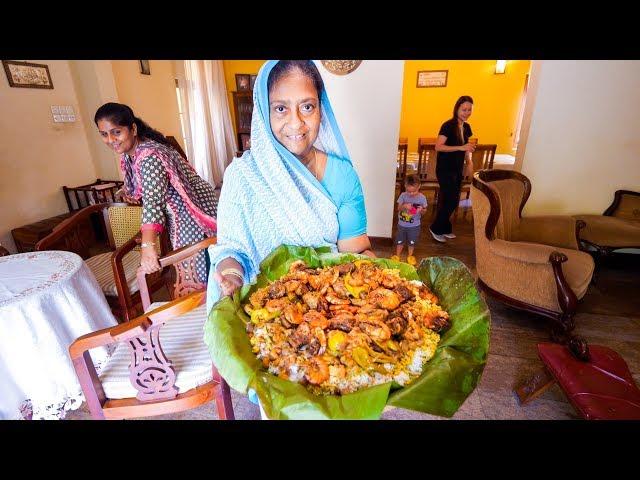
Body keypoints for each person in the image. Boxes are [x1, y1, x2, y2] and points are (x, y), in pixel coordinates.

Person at [206, 60, 374, 310]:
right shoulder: (242, 176)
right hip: (260, 313)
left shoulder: (342, 176)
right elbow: (232, 249)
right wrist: (232, 278)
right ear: (264, 111)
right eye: (281, 109)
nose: (296, 123)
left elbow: (356, 253)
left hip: (324, 310)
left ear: (321, 110)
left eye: (307, 107)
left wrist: (381, 275)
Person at [94, 103, 218, 283]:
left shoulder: (149, 155)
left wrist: (148, 247)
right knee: (192, 268)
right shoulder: (132, 152)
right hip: (180, 212)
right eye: (104, 134)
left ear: (133, 129)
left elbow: (153, 202)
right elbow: (145, 187)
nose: (111, 139)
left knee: (201, 271)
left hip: (193, 213)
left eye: (116, 132)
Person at [429, 95, 476, 243]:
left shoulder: (467, 127)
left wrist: (469, 162)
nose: (466, 112)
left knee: (454, 199)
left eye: (469, 110)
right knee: (449, 200)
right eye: (464, 109)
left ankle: (445, 227)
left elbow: (467, 147)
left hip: (457, 169)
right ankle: (436, 228)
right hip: (445, 169)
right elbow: (438, 147)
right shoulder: (448, 126)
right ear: (457, 109)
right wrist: (460, 147)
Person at [391, 175, 427, 265]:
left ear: (419, 186)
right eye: (408, 191)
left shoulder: (422, 198)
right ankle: (397, 255)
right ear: (405, 187)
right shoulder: (403, 195)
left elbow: (425, 211)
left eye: (413, 191)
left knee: (412, 242)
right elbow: (398, 208)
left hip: (414, 226)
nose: (411, 194)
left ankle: (410, 256)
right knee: (400, 241)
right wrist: (404, 206)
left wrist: (421, 210)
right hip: (402, 225)